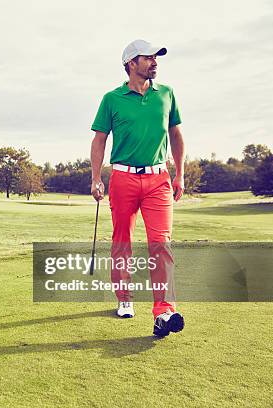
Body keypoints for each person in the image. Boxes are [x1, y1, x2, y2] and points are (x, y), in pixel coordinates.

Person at [90, 39, 186, 337]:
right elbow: (99, 140)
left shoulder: (167, 94)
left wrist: (179, 174)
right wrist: (96, 177)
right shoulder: (112, 98)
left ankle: (164, 311)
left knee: (162, 243)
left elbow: (176, 136)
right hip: (123, 179)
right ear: (132, 63)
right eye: (149, 58)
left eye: (157, 58)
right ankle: (124, 298)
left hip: (159, 179)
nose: (155, 62)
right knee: (123, 241)